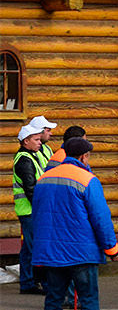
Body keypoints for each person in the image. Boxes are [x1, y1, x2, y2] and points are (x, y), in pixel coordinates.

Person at [31, 136, 118, 310]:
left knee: (53, 298)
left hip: (51, 252)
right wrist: (112, 249)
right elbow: (100, 218)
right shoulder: (87, 179)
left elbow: (38, 215)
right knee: (89, 300)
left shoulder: (44, 178)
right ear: (83, 156)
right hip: (81, 252)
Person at [12, 124, 49, 294]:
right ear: (26, 141)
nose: (39, 141)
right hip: (31, 211)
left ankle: (27, 283)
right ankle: (49, 285)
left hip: (28, 210)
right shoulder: (25, 160)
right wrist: (44, 209)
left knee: (28, 248)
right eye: (36, 139)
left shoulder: (30, 156)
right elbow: (31, 190)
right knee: (38, 248)